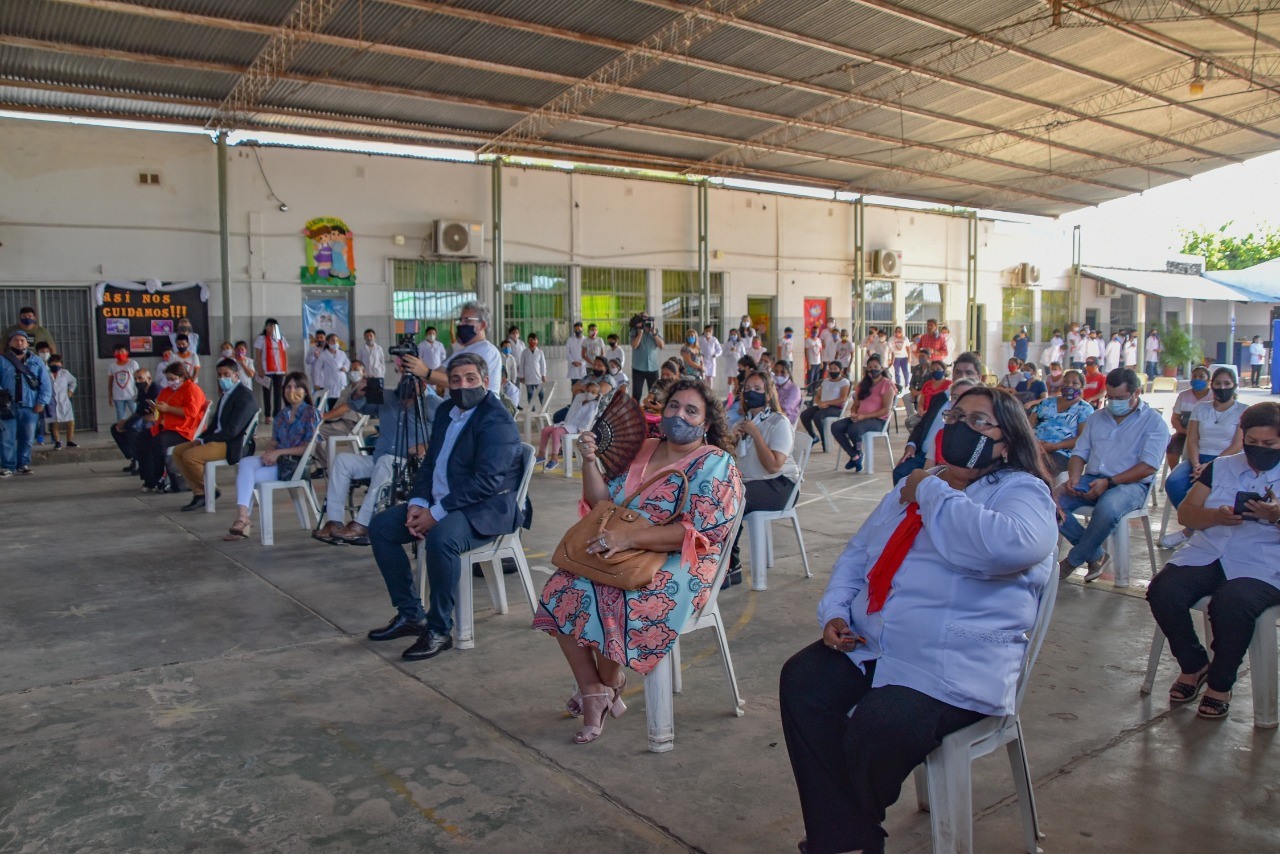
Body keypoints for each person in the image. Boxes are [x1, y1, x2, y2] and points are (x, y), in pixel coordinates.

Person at [780, 385, 1056, 854]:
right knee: (803, 681)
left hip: (953, 660)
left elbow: (1006, 546)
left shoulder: (1020, 491)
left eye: (979, 422)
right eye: (956, 417)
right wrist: (836, 611)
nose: (961, 427)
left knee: (878, 725)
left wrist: (929, 490)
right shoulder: (919, 484)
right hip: (878, 641)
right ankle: (848, 836)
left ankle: (844, 834)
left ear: (1007, 442)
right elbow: (859, 553)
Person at [534, 378, 744, 743]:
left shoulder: (715, 463)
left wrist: (629, 538)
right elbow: (602, 503)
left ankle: (606, 684)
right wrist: (589, 461)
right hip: (623, 547)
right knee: (561, 587)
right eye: (674, 406)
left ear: (706, 422)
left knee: (614, 596)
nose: (679, 415)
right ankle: (594, 689)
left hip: (682, 559)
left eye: (691, 411)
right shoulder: (644, 448)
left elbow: (700, 532)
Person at [365, 354, 525, 661]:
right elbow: (430, 464)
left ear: (485, 381)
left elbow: (487, 483)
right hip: (441, 502)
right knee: (381, 527)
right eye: (455, 380)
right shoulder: (445, 411)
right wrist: (418, 503)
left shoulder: (497, 420)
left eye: (470, 379)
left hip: (484, 509)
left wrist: (435, 514)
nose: (462, 386)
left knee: (441, 539)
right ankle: (411, 614)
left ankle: (439, 629)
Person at [1146, 402, 1280, 721]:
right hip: (1209, 551)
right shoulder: (1222, 467)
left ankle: (1220, 684)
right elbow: (1186, 513)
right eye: (1252, 442)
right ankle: (1194, 665)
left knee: (1231, 603)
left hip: (1264, 563)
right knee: (1164, 590)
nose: (1259, 449)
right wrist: (1215, 516)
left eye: (1269, 444)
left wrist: (1276, 516)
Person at [1057, 368, 1169, 582]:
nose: (1115, 403)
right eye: (1111, 397)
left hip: (1132, 485)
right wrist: (1074, 477)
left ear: (1137, 393)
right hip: (1092, 479)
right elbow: (1079, 453)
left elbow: (1148, 466)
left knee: (1107, 508)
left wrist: (1109, 482)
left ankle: (1072, 561)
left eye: (1121, 398)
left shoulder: (1153, 422)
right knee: (1050, 502)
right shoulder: (1097, 418)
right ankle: (1096, 555)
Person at [315, 376, 439, 546]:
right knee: (342, 460)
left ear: (423, 384)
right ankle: (334, 521)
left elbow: (445, 435)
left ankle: (363, 524)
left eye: (413, 381)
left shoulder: (434, 404)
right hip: (379, 459)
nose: (407, 383)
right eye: (404, 378)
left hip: (409, 465)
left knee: (387, 461)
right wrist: (358, 393)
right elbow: (358, 406)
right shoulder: (387, 397)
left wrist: (426, 445)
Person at [223, 372, 320, 540]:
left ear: (305, 390)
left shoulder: (311, 413)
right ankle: (242, 517)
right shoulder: (281, 415)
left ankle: (242, 521)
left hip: (294, 465)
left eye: (297, 387)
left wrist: (278, 453)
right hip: (277, 461)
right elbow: (274, 441)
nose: (292, 390)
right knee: (245, 463)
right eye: (288, 387)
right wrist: (269, 454)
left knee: (252, 478)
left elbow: (308, 448)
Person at [725, 371, 798, 586]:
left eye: (757, 389)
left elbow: (773, 465)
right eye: (747, 389)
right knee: (721, 495)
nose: (751, 393)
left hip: (780, 485)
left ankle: (732, 563)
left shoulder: (778, 422)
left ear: (768, 394)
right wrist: (733, 440)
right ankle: (724, 562)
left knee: (734, 500)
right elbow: (735, 461)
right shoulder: (745, 421)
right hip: (753, 482)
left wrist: (756, 434)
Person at [1160, 367, 1246, 548]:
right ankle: (1197, 527)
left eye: (1227, 384)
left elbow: (1237, 445)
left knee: (1214, 491)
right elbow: (1192, 440)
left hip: (1226, 460)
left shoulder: (1242, 410)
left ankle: (1188, 531)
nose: (1222, 387)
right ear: (1212, 385)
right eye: (1218, 383)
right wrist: (1196, 463)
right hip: (1198, 458)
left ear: (1234, 385)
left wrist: (1212, 465)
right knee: (1174, 482)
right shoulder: (1200, 408)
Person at [170, 359, 260, 511]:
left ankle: (210, 490)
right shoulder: (226, 394)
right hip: (218, 439)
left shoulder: (244, 397)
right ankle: (200, 492)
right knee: (177, 452)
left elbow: (232, 431)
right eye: (219, 375)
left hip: (232, 444)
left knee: (190, 456)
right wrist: (200, 438)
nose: (222, 378)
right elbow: (214, 425)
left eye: (227, 374)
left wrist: (205, 440)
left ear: (236, 375)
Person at [892, 352, 983, 483]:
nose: (963, 377)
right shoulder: (940, 398)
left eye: (969, 373)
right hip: (924, 455)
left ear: (979, 377)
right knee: (901, 472)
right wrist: (911, 445)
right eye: (958, 372)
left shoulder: (982, 407)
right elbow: (922, 425)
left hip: (952, 462)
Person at [136, 363, 208, 493]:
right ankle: (148, 478)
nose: (170, 382)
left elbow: (191, 412)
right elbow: (160, 406)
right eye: (168, 379)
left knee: (159, 442)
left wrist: (168, 408)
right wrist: (155, 408)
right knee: (142, 438)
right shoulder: (167, 391)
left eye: (173, 379)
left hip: (185, 430)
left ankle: (160, 478)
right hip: (167, 427)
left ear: (182, 377)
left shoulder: (192, 389)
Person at [406, 302, 503, 394]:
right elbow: (434, 375)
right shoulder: (461, 351)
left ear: (482, 325)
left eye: (467, 320)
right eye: (461, 320)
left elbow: (464, 382)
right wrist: (413, 366)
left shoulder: (487, 350)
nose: (461, 324)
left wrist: (426, 372)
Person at [830, 356, 895, 473]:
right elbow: (856, 404)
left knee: (854, 429)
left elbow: (886, 410)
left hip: (878, 420)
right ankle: (855, 455)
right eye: (870, 367)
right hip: (860, 418)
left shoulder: (887, 385)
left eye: (876, 367)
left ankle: (858, 454)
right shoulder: (863, 384)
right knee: (836, 426)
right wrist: (854, 413)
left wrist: (864, 417)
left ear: (882, 368)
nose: (872, 370)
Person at [0, 330, 52, 477]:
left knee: (27, 438)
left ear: (27, 343)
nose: (19, 343)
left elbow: (45, 384)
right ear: (10, 343)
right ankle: (8, 466)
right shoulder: (2, 360)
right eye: (16, 340)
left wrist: (42, 402)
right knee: (7, 438)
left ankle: (22, 464)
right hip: (7, 407)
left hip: (30, 406)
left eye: (22, 340)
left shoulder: (36, 361)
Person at [1030, 369, 1093, 476]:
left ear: (1082, 387)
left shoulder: (1084, 409)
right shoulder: (1046, 402)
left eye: (1074, 383)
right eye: (1066, 381)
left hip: (1062, 453)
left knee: (1038, 467)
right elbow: (1029, 425)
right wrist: (1033, 443)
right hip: (1035, 446)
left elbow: (1083, 438)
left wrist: (1056, 446)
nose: (1069, 385)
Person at [311, 360, 366, 472]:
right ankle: (325, 464)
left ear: (363, 372)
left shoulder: (362, 388)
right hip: (340, 422)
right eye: (351, 370)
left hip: (350, 425)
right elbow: (337, 409)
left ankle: (326, 467)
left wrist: (324, 416)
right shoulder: (348, 388)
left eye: (356, 370)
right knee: (314, 431)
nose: (352, 372)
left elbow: (345, 408)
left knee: (314, 432)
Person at [537, 380, 600, 471]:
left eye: (593, 392)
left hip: (577, 427)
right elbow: (571, 412)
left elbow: (588, 419)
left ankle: (554, 458)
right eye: (588, 390)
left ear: (597, 395)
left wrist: (582, 430)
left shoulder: (593, 405)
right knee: (545, 430)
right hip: (567, 423)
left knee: (556, 432)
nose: (589, 393)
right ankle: (541, 454)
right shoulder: (579, 399)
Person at [111, 368, 159, 474]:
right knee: (116, 428)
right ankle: (133, 457)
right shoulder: (141, 391)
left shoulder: (156, 391)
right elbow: (138, 411)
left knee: (133, 427)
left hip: (155, 422)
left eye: (140, 378)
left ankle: (140, 461)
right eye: (136, 379)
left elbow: (157, 415)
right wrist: (125, 421)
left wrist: (140, 419)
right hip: (143, 418)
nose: (137, 381)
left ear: (149, 379)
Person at [1167, 365, 1212, 474]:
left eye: (1201, 376)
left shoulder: (1213, 396)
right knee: (1172, 446)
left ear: (1208, 380)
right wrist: (1183, 431)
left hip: (1206, 435)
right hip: (1184, 433)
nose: (1197, 379)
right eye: (1194, 376)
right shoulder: (1183, 395)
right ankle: (1176, 474)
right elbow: (1175, 418)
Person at [799, 361, 851, 453]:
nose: (832, 371)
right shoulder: (825, 381)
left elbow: (843, 399)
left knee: (818, 416)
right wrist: (819, 403)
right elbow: (818, 396)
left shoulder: (844, 382)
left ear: (840, 370)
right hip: (823, 406)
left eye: (835, 369)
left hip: (836, 408)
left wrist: (826, 403)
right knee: (804, 415)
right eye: (830, 369)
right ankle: (813, 436)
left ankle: (825, 439)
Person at [254, 318, 289, 424]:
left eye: (274, 326)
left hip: (279, 370)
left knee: (278, 392)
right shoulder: (261, 339)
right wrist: (260, 369)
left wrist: (286, 368)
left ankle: (277, 414)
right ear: (266, 327)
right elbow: (258, 355)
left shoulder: (281, 338)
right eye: (270, 326)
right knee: (267, 392)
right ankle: (268, 415)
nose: (272, 328)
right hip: (266, 370)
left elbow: (285, 354)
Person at [629, 311, 664, 400]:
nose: (645, 322)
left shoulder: (656, 331)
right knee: (636, 394)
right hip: (638, 368)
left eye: (646, 319)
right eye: (642, 319)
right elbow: (634, 345)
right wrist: (640, 333)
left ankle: (651, 408)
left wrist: (654, 333)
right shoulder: (634, 331)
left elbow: (661, 346)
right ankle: (636, 409)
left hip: (653, 368)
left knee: (654, 395)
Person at [47, 355, 77, 449]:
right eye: (53, 362)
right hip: (51, 401)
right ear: (49, 363)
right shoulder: (46, 373)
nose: (56, 364)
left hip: (64, 400)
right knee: (55, 423)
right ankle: (57, 442)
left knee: (70, 421)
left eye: (58, 362)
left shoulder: (65, 373)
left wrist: (70, 391)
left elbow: (73, 381)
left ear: (61, 364)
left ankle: (69, 441)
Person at [312, 333, 350, 404]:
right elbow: (317, 370)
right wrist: (316, 383)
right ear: (327, 342)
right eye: (332, 340)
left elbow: (347, 363)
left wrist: (345, 367)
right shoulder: (323, 355)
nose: (335, 342)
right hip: (330, 384)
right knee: (332, 404)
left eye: (336, 340)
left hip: (342, 382)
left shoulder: (342, 353)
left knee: (343, 403)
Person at [106, 346, 141, 422]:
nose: (120, 353)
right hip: (118, 396)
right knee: (120, 416)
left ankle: (138, 429)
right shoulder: (112, 366)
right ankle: (122, 429)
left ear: (127, 352)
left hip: (132, 395)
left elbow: (139, 379)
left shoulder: (133, 363)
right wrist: (110, 396)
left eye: (122, 351)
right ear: (114, 354)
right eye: (117, 352)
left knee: (137, 414)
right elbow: (110, 382)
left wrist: (140, 394)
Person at [518, 332, 548, 406]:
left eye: (534, 340)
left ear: (537, 341)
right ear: (528, 341)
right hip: (528, 377)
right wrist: (521, 376)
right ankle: (532, 410)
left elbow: (543, 364)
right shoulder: (524, 352)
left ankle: (544, 408)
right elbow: (521, 364)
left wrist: (543, 375)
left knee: (541, 394)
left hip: (538, 377)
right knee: (530, 394)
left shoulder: (540, 352)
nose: (532, 342)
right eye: (531, 340)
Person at [773, 359, 802, 425]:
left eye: (782, 372)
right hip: (774, 417)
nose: (778, 374)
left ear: (788, 373)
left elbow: (785, 410)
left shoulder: (794, 389)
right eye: (776, 371)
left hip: (786, 420)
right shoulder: (774, 386)